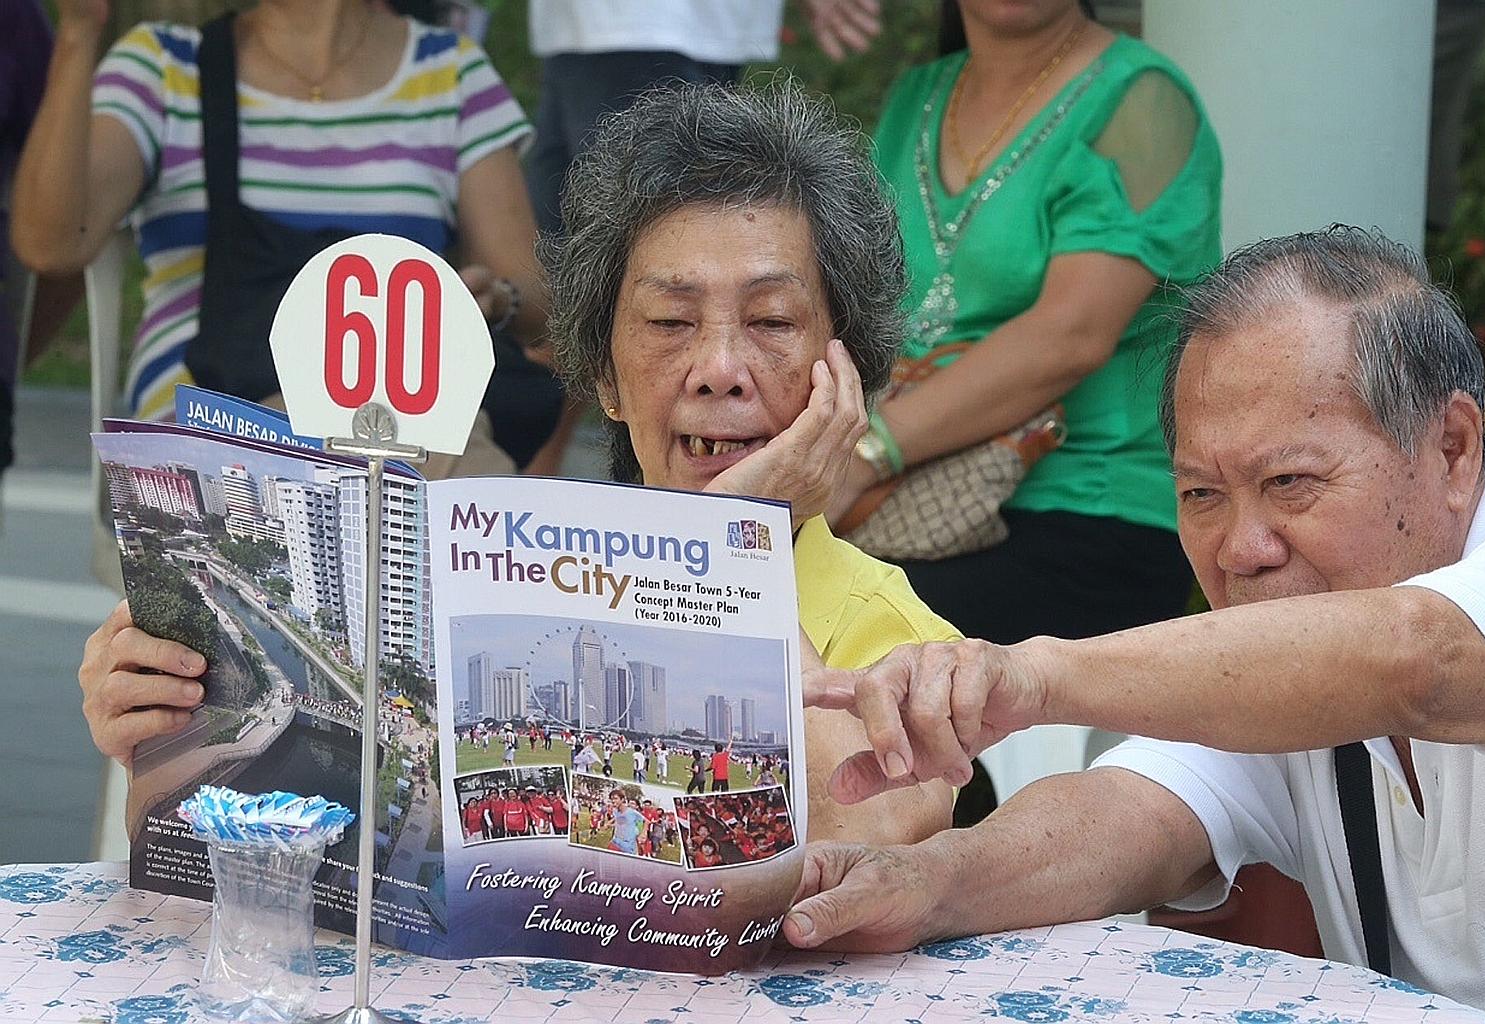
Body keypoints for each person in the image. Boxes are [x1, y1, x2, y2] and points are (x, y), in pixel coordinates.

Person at [78, 80, 958, 845]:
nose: (719, 369)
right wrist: (158, 721)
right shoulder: (491, 575)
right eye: (669, 322)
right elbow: (189, 836)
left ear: (842, 372)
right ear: (606, 378)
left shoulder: (893, 631)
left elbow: (868, 832)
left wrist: (729, 552)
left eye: (770, 322)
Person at [785, 227, 1485, 1022]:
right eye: (1203, 495)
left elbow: (1413, 657)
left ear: (1451, 447)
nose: (1243, 550)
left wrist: (1031, 678)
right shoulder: (1282, 669)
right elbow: (1131, 812)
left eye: (1290, 482)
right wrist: (928, 884)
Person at [826, 0, 1220, 818]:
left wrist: (864, 455)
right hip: (903, 503)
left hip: (1085, 509)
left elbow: (1070, 334)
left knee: (872, 664)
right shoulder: (917, 97)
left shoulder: (1145, 99)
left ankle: (921, 900)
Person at [13, 0, 545, 475]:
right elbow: (51, 244)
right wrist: (79, 33)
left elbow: (536, 301)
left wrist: (493, 298)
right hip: (208, 427)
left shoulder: (450, 73)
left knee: (442, 474)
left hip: (398, 430)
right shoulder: (165, 66)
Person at [606, 790, 644, 856]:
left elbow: (645, 822)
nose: (613, 801)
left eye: (615, 798)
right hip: (616, 842)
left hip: (628, 845)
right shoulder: (617, 811)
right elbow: (620, 822)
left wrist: (643, 834)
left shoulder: (634, 814)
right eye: (612, 799)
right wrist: (610, 824)